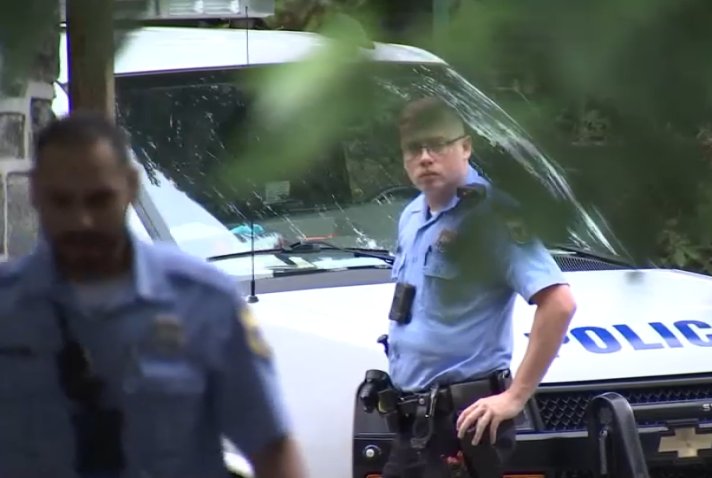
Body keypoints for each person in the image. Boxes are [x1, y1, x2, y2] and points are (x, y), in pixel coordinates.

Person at [0, 111, 306, 478]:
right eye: (62, 201)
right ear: (34, 192)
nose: (81, 221)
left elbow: (271, 446)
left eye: (99, 200)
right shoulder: (8, 307)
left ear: (130, 186)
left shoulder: (204, 302)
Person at [366, 97, 577, 477]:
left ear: (465, 147)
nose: (425, 157)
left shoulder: (493, 216)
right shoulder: (413, 214)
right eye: (414, 148)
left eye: (438, 144)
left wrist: (515, 398)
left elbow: (559, 303)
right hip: (413, 425)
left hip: (464, 424)